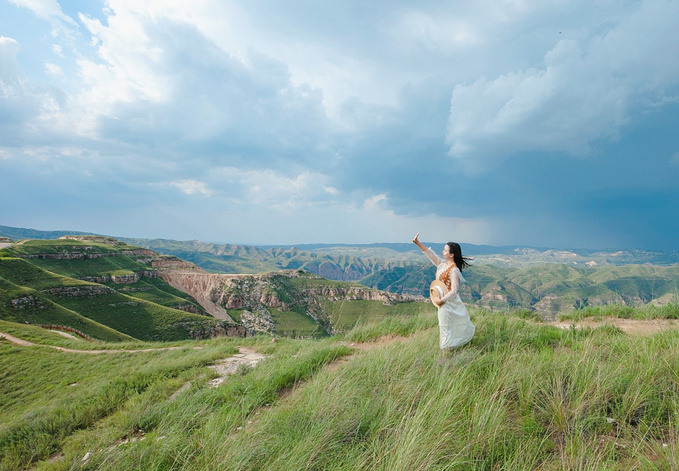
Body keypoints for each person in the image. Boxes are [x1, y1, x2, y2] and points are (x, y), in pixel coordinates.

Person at [412, 232, 475, 350]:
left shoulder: (454, 270)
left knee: (445, 327)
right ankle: (450, 348)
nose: (443, 252)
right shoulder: (442, 264)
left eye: (445, 250)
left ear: (451, 255)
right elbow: (430, 254)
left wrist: (442, 300)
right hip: (442, 301)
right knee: (446, 327)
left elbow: (454, 290)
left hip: (447, 303)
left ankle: (445, 351)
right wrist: (417, 243)